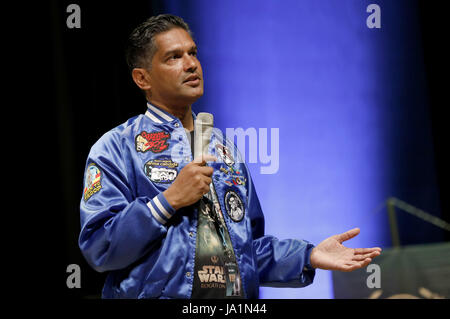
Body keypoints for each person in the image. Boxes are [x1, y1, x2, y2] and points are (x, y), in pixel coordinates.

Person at [79, 14, 381, 299]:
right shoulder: (116, 147)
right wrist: (167, 201)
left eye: (193, 53)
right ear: (142, 79)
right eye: (174, 57)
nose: (191, 64)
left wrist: (309, 256)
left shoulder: (224, 149)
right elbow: (100, 247)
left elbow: (247, 251)